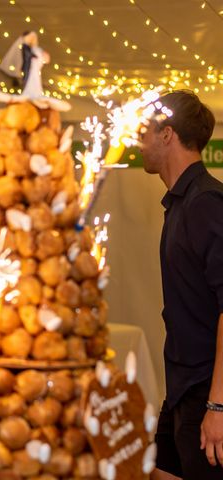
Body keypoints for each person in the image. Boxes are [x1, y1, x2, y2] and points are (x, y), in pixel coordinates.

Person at [139, 90, 223, 480]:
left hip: (207, 390)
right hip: (182, 388)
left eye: (145, 132)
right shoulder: (179, 202)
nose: (139, 141)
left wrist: (218, 406)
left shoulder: (206, 203)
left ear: (167, 134)